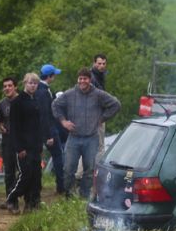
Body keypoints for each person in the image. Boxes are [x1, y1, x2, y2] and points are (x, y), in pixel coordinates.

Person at [52, 67, 121, 199]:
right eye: (80, 79)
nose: (82, 81)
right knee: (68, 169)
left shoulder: (98, 94)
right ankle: (69, 195)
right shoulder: (70, 94)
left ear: (90, 80)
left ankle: (83, 196)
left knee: (89, 170)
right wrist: (63, 121)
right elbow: (55, 105)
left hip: (91, 137)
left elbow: (116, 105)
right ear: (78, 80)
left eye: (85, 79)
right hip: (74, 137)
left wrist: (102, 118)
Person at [6, 73, 45, 212]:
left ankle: (32, 203)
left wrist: (41, 144)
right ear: (24, 84)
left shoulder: (36, 101)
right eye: (30, 83)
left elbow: (39, 125)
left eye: (35, 83)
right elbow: (14, 128)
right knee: (25, 175)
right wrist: (19, 148)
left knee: (36, 176)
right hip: (23, 147)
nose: (33, 85)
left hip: (35, 146)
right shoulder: (17, 102)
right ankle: (11, 197)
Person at [36, 64, 65, 195]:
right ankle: (61, 186)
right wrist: (48, 135)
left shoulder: (42, 89)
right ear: (50, 76)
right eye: (54, 75)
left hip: (46, 128)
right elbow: (44, 114)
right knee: (58, 157)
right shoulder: (43, 91)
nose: (55, 77)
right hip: (49, 129)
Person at [0, 77, 19, 210]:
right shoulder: (2, 104)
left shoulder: (22, 100)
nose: (7, 88)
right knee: (9, 172)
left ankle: (30, 200)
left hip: (22, 140)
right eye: (5, 86)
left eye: (10, 86)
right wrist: (1, 126)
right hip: (8, 140)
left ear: (15, 87)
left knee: (23, 171)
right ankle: (11, 200)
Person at [90, 54, 109, 158]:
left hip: (97, 114)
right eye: (99, 63)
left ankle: (79, 173)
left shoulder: (100, 75)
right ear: (94, 63)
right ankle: (96, 173)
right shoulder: (92, 77)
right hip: (96, 115)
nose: (101, 66)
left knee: (91, 145)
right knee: (100, 147)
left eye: (104, 63)